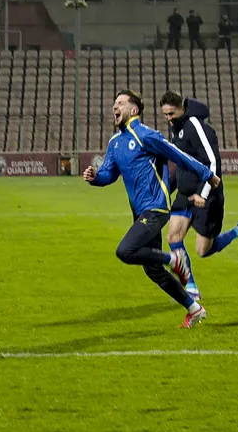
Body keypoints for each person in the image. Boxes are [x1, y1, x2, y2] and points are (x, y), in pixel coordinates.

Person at [83, 89, 219, 328]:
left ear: (133, 110)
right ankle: (194, 308)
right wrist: (95, 177)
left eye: (121, 103)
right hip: (140, 212)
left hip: (156, 207)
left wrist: (207, 174)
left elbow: (179, 155)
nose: (115, 106)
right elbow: (108, 175)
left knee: (125, 251)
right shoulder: (115, 142)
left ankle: (174, 259)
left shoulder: (147, 135)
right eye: (114, 103)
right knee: (152, 270)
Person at [159, 92, 238, 300]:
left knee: (203, 250)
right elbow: (182, 164)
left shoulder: (194, 125)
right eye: (165, 115)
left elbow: (212, 162)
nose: (168, 119)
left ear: (181, 108)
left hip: (207, 195)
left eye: (171, 114)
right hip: (186, 194)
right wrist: (166, 191)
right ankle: (191, 287)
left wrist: (203, 192)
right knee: (173, 236)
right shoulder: (177, 129)